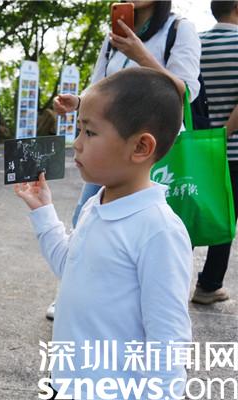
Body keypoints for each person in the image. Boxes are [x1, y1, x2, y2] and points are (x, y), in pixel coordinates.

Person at [16, 68, 192, 400]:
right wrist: (43, 211)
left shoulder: (159, 231)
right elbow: (70, 266)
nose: (77, 144)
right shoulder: (96, 204)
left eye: (90, 132)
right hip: (66, 382)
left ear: (140, 147)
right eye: (78, 130)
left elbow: (168, 340)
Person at [48, 0, 201, 320]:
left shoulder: (179, 29)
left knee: (140, 229)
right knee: (86, 214)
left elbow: (186, 91)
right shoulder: (114, 35)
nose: (77, 145)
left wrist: (141, 55)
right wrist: (79, 102)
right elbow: (100, 88)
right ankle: (72, 291)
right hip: (110, 147)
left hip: (151, 151)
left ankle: (136, 304)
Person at [191, 0, 238, 305]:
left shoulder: (194, 42)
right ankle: (209, 286)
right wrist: (223, 135)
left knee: (187, 211)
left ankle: (166, 279)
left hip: (194, 149)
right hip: (232, 151)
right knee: (224, 216)